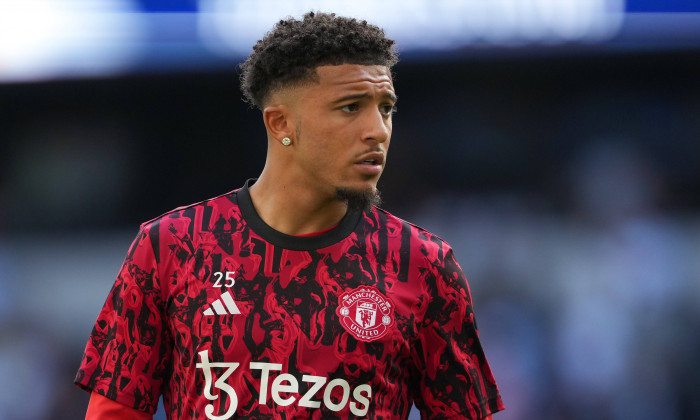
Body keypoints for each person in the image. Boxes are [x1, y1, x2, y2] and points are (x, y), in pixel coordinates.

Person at [75, 11, 504, 420]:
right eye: (351, 107)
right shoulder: (172, 247)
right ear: (281, 124)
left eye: (386, 107)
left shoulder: (423, 265)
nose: (377, 129)